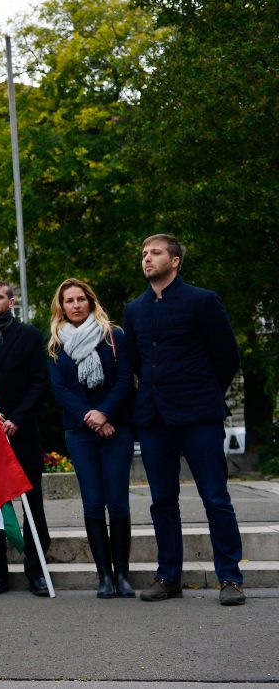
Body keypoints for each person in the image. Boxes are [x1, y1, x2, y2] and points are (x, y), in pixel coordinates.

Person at [124, 234, 245, 606]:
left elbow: (227, 358)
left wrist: (203, 392)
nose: (147, 259)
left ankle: (230, 578)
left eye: (156, 253)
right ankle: (168, 576)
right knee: (162, 500)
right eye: (144, 254)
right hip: (154, 417)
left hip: (198, 415)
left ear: (174, 261)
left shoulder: (202, 301)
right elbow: (135, 362)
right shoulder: (134, 310)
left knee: (215, 497)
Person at [48, 278, 135, 598]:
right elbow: (60, 389)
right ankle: (104, 577)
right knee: (94, 503)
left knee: (119, 503)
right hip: (80, 433)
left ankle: (123, 574)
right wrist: (93, 419)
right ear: (62, 306)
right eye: (68, 300)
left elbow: (126, 378)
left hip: (117, 429)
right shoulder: (56, 343)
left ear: (90, 301)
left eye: (80, 299)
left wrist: (106, 414)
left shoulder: (114, 336)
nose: (75, 305)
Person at [0, 281, 51, 596]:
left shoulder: (31, 336)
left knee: (32, 504)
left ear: (11, 300)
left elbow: (40, 382)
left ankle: (37, 571)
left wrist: (18, 418)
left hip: (23, 432)